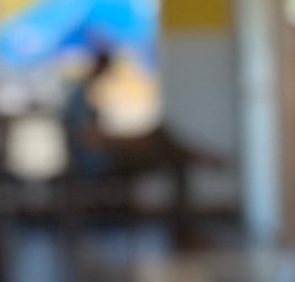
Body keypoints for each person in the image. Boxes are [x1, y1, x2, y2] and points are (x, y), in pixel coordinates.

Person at [60, 47, 217, 227]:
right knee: (169, 149)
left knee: (165, 143)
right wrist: (132, 141)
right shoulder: (79, 97)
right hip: (99, 162)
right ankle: (198, 162)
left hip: (106, 156)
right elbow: (91, 138)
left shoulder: (84, 94)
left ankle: (194, 159)